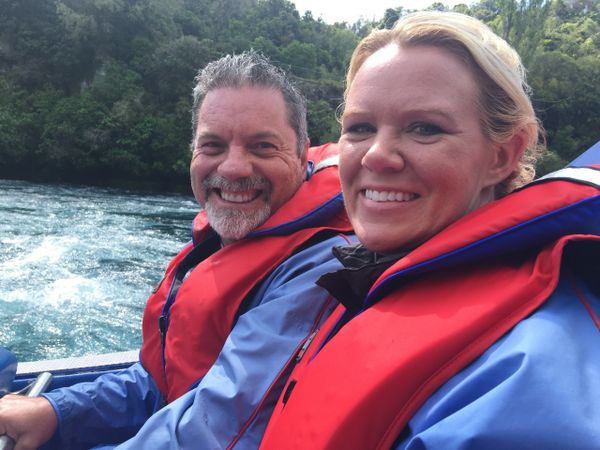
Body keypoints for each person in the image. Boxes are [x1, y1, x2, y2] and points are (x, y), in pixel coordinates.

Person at [259, 12, 600, 449]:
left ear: (503, 155)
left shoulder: (527, 371)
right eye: (360, 128)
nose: (377, 156)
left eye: (425, 128)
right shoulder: (368, 279)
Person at [0, 51, 353, 449]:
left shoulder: (323, 269)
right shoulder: (226, 238)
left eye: (263, 146)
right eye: (213, 145)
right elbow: (164, 385)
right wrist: (56, 410)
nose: (234, 167)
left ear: (303, 149)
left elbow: (213, 434)